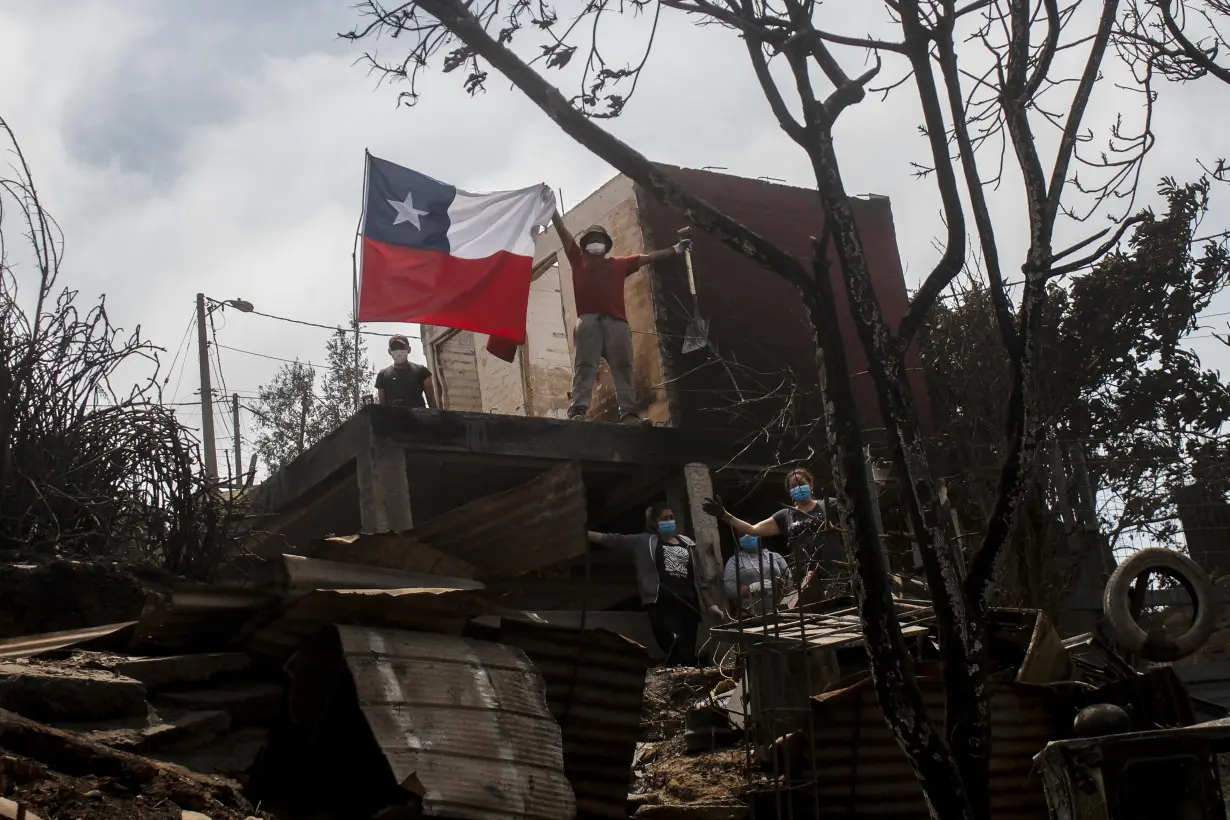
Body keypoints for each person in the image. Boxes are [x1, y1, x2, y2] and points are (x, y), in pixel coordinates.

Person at [550, 211, 691, 424]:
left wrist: (675, 249)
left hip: (616, 324)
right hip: (589, 323)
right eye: (592, 241)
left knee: (623, 367)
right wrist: (553, 213)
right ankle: (578, 412)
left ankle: (629, 415)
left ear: (606, 245)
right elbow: (563, 233)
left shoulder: (619, 264)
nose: (595, 244)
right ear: (585, 244)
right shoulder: (578, 260)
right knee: (585, 366)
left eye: (599, 240)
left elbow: (647, 258)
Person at [588, 503, 718, 666]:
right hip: (662, 603)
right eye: (664, 518)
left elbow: (701, 579)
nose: (669, 521)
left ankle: (686, 682)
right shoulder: (644, 542)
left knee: (689, 648)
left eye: (671, 518)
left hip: (688, 603)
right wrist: (585, 534)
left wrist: (711, 605)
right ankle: (680, 678)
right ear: (655, 522)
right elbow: (614, 539)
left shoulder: (688, 544)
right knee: (674, 646)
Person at [703, 468, 840, 587]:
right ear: (789, 492)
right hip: (804, 576)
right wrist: (724, 515)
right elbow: (752, 530)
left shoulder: (830, 505)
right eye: (793, 486)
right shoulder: (785, 516)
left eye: (802, 484)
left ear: (811, 485)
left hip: (835, 570)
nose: (798, 488)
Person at [723, 534, 792, 616]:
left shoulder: (775, 557)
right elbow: (728, 588)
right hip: (749, 615)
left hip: (778, 612)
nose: (748, 536)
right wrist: (750, 589)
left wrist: (781, 585)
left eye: (751, 533)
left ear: (759, 535)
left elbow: (790, 583)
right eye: (743, 533)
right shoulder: (735, 561)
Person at [375, 334, 437, 409]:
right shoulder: (383, 374)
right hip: (393, 419)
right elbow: (382, 406)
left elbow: (431, 399)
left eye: (401, 347)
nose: (398, 351)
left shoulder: (422, 371)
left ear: (409, 349)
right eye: (394, 348)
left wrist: (438, 418)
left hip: (418, 419)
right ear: (389, 351)